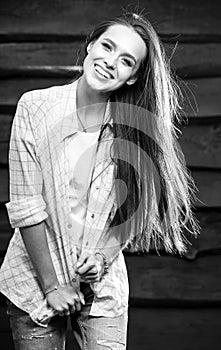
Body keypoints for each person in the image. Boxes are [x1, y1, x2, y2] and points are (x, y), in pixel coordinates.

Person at [0, 10, 199, 350]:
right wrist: (52, 287)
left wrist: (103, 256)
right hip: (33, 283)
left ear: (133, 78)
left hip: (101, 290)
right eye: (107, 47)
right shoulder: (34, 107)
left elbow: (134, 206)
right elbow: (26, 205)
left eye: (126, 61)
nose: (110, 62)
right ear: (91, 45)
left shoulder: (135, 130)